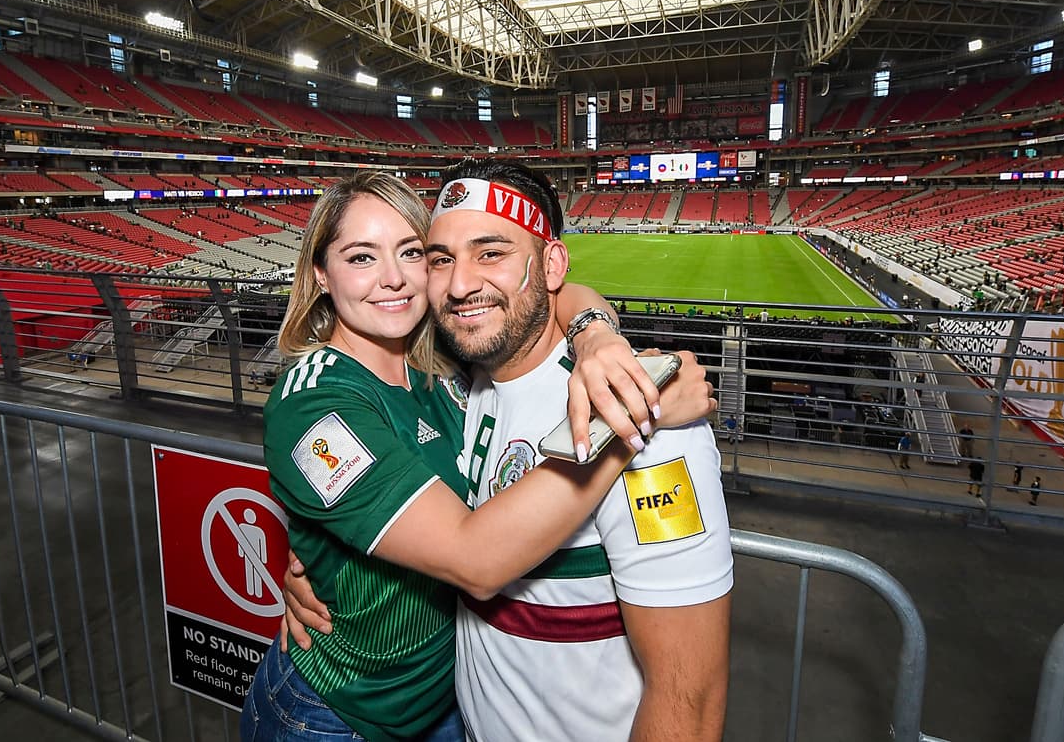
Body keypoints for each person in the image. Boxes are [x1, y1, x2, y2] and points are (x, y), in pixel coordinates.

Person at [240, 172, 713, 742]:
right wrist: (633, 414)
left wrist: (597, 336)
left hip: (446, 707)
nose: (394, 278)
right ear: (320, 274)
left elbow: (549, 296)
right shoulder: (313, 403)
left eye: (412, 254)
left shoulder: (447, 360)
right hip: (340, 716)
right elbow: (474, 558)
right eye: (361, 257)